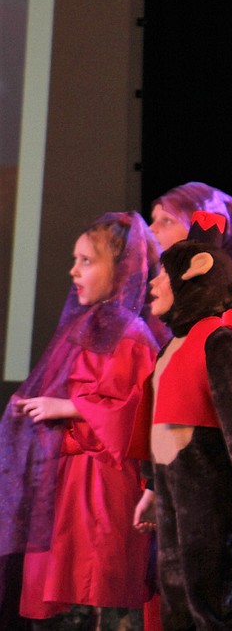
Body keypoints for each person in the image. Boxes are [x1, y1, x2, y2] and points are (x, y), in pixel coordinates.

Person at [0, 213, 158, 627]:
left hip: (103, 485)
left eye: (87, 260)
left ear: (121, 268)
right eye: (76, 259)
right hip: (71, 481)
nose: (74, 270)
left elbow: (136, 412)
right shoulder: (90, 325)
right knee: (70, 595)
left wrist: (67, 407)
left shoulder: (129, 333)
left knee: (99, 592)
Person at [133, 211, 232, 630]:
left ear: (193, 277)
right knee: (176, 595)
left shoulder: (219, 340)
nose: (155, 284)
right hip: (176, 491)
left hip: (211, 493)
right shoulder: (171, 348)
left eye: (164, 275)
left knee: (212, 597)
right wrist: (152, 488)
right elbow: (157, 425)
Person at [149, 181, 232, 297]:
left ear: (201, 230)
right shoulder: (151, 286)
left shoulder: (229, 297)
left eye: (167, 221)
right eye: (154, 219)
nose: (151, 228)